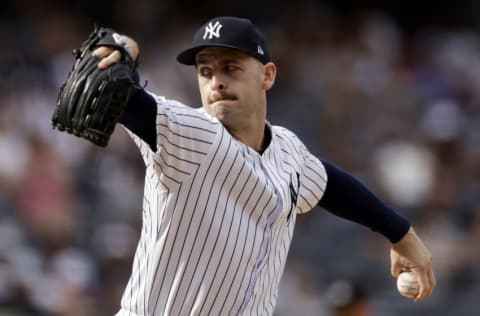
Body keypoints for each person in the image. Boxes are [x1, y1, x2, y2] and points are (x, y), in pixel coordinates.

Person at [91, 16, 435, 316]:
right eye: (205, 71)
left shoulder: (287, 150)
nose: (216, 82)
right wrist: (124, 53)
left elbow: (331, 184)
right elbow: (127, 98)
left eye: (231, 68)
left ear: (267, 76)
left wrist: (401, 235)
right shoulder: (190, 134)